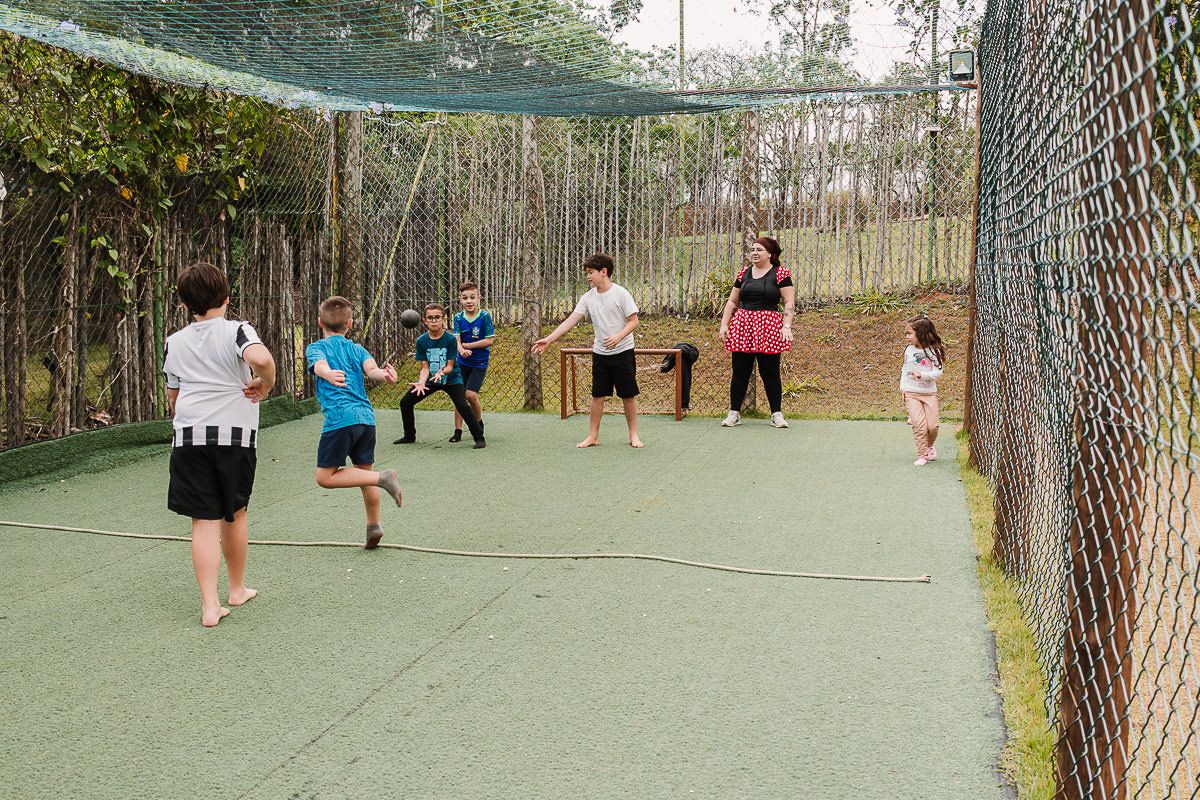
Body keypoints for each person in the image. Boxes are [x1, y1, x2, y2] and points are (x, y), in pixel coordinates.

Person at [163, 262, 276, 628]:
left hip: (190, 437)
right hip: (234, 437)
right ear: (227, 298)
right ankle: (237, 589)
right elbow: (260, 358)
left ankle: (210, 606)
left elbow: (173, 395)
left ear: (184, 304)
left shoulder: (175, 342)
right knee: (235, 512)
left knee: (203, 520)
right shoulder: (237, 329)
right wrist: (266, 382)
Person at [305, 296, 404, 549]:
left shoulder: (316, 347)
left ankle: (384, 478)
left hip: (340, 419)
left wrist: (327, 373)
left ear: (319, 322)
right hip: (366, 420)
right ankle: (374, 526)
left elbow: (319, 366)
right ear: (350, 323)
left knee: (325, 477)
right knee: (364, 474)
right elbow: (372, 371)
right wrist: (386, 375)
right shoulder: (358, 349)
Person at [532, 253, 643, 448]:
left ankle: (633, 435)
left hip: (624, 352)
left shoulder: (621, 294)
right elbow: (571, 320)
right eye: (587, 273)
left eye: (590, 273)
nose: (588, 277)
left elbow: (634, 321)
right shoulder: (588, 297)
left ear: (604, 272)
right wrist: (549, 340)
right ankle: (593, 436)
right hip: (600, 353)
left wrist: (618, 337)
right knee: (597, 395)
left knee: (627, 395)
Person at [718, 236, 795, 428]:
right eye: (752, 249)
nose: (754, 253)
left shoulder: (780, 273)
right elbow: (732, 301)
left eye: (759, 250)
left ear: (770, 253)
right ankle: (734, 413)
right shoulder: (743, 273)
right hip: (743, 326)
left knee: (770, 372)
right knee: (739, 372)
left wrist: (786, 326)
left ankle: (776, 414)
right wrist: (724, 325)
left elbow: (789, 302)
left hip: (769, 327)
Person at [394, 303, 486, 448]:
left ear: (443, 319)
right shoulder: (421, 341)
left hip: (451, 379)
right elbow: (425, 367)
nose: (434, 320)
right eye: (430, 318)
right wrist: (421, 382)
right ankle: (409, 435)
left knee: (462, 405)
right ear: (424, 320)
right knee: (405, 402)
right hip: (431, 380)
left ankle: (479, 438)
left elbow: (450, 366)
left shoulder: (450, 340)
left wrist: (441, 372)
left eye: (437, 317)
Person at [448, 282, 495, 443]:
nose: (469, 301)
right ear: (460, 300)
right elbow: (456, 340)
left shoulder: (484, 317)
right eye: (465, 298)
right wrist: (461, 350)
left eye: (472, 297)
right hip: (462, 363)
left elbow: (489, 340)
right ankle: (458, 430)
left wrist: (469, 346)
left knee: (471, 395)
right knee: (459, 397)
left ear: (478, 298)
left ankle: (478, 422)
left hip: (479, 363)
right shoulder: (458, 317)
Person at [900, 314, 946, 467]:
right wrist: (903, 388)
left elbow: (938, 372)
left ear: (921, 333)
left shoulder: (934, 351)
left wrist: (923, 374)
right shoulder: (909, 350)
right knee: (919, 425)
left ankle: (929, 445)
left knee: (932, 427)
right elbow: (905, 369)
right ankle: (922, 455)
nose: (907, 337)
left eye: (909, 333)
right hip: (911, 393)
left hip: (929, 394)